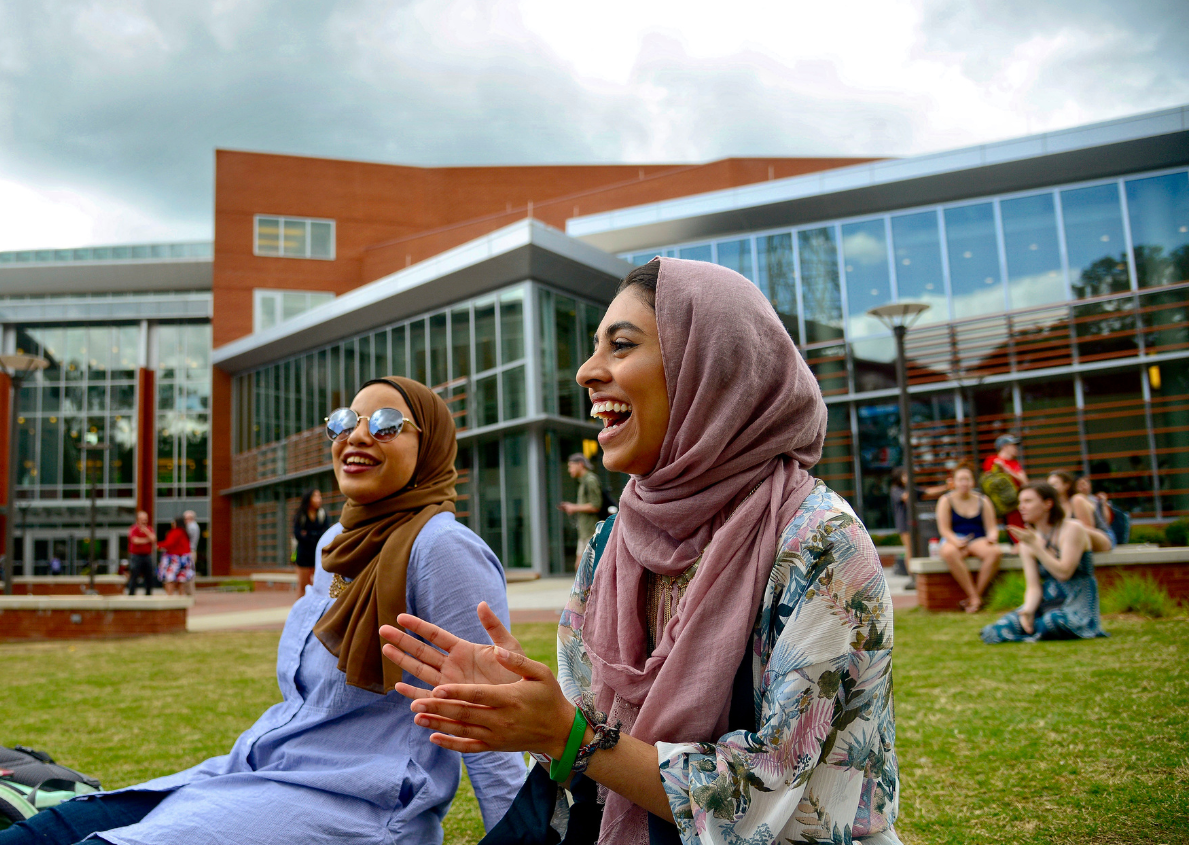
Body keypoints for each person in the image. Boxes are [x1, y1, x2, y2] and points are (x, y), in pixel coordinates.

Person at [382, 258, 899, 843]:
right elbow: (583, 746)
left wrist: (568, 736)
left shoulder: (821, 544)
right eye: (593, 348)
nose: (585, 371)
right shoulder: (611, 542)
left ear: (711, 369)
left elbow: (766, 793)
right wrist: (527, 716)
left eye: (620, 346)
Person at [0, 376, 525, 845]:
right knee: (58, 827)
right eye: (344, 421)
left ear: (428, 447)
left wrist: (519, 838)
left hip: (352, 807)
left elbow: (492, 721)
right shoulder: (338, 543)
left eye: (384, 424)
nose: (357, 435)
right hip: (257, 769)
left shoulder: (441, 548)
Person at [982, 482, 1107, 643]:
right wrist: (1028, 610)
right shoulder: (1028, 540)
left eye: (1028, 501)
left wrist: (1036, 546)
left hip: (1077, 602)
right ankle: (1034, 628)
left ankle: (1037, 630)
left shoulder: (1072, 529)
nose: (1021, 507)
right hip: (1047, 602)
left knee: (1052, 622)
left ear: (1048, 504)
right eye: (1020, 502)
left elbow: (1064, 573)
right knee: (999, 628)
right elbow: (1033, 586)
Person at [936, 463, 1002, 613]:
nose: (964, 483)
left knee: (995, 552)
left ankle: (975, 597)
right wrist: (955, 541)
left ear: (973, 481)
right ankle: (974, 597)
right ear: (954, 482)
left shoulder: (983, 500)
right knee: (949, 552)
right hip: (954, 538)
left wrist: (993, 537)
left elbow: (992, 527)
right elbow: (944, 529)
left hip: (977, 539)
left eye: (967, 479)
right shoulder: (946, 500)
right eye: (960, 479)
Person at [1048, 471, 1113, 551]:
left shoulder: (1077, 500)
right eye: (1049, 485)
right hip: (1072, 543)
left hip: (1102, 538)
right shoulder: (1052, 507)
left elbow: (1087, 531)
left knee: (1075, 529)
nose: (1051, 488)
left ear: (1066, 485)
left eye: (1054, 485)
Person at [557, 453, 602, 567]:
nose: (569, 469)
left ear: (580, 464)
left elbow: (596, 505)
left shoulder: (590, 480)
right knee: (580, 567)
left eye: (571, 466)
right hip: (584, 531)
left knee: (584, 568)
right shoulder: (583, 482)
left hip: (590, 531)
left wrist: (574, 507)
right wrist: (573, 508)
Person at [982, 434, 1028, 528]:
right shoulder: (992, 460)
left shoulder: (1015, 463)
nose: (1016, 448)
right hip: (1006, 505)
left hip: (1018, 503)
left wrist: (1008, 471)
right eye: (1013, 445)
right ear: (1005, 447)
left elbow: (1025, 482)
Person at [291, 490, 330, 594]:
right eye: (315, 496)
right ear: (308, 499)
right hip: (303, 554)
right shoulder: (300, 515)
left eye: (320, 496)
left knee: (319, 586)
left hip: (318, 554)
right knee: (303, 586)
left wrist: (308, 534)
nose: (319, 499)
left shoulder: (322, 514)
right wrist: (316, 534)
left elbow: (326, 533)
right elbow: (297, 534)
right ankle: (301, 610)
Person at [156, 517, 193, 597]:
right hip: (185, 559)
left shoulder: (175, 532)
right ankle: (181, 597)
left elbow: (169, 543)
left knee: (169, 579)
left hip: (174, 559)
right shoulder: (184, 532)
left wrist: (158, 545)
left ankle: (170, 597)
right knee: (181, 579)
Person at [126, 511, 156, 596]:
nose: (144, 521)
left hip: (147, 556)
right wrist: (147, 540)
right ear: (138, 520)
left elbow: (153, 539)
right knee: (134, 575)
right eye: (142, 519)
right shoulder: (133, 529)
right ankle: (131, 594)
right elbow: (135, 540)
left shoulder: (149, 529)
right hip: (136, 556)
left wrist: (146, 532)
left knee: (149, 576)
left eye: (146, 520)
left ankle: (148, 594)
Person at [182, 510, 201, 595]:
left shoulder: (191, 526)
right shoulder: (193, 526)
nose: (185, 520)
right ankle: (189, 594)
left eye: (186, 518)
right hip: (190, 552)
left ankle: (190, 595)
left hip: (189, 552)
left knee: (188, 575)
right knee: (188, 574)